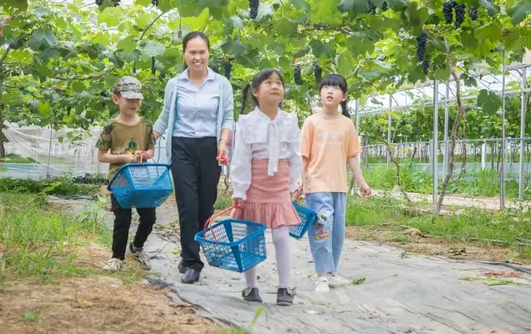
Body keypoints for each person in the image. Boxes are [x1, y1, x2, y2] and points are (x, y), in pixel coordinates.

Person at [153, 31, 234, 284]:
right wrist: (148, 142)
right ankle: (192, 261)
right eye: (192, 52)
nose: (197, 57)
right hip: (182, 147)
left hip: (211, 148)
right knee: (187, 204)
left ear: (209, 53)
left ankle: (191, 249)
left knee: (205, 206)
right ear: (184, 54)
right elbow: (166, 117)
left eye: (202, 52)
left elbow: (228, 117)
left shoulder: (221, 84)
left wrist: (222, 143)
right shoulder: (175, 84)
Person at [230, 69, 302, 306]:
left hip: (280, 183)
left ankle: (284, 287)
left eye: (278, 83)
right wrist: (239, 190)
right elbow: (241, 157)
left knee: (281, 235)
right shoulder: (247, 122)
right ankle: (251, 287)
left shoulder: (289, 120)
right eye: (268, 82)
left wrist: (293, 182)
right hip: (255, 183)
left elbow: (294, 155)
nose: (274, 86)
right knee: (252, 235)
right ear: (255, 92)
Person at [298, 74, 373, 292]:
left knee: (338, 231)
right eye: (326, 87)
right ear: (320, 94)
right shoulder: (311, 122)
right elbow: (303, 155)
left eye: (335, 88)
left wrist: (362, 183)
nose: (330, 91)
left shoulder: (347, 124)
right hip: (316, 185)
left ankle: (332, 273)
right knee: (322, 228)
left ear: (344, 96)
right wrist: (298, 181)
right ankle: (321, 275)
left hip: (339, 187)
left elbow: (352, 156)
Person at [96, 76, 156, 272]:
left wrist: (143, 154)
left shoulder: (146, 126)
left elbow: (151, 151)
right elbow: (102, 156)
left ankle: (137, 247)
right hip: (119, 180)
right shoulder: (111, 127)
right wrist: (124, 158)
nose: (134, 103)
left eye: (137, 99)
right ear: (116, 99)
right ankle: (116, 257)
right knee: (123, 219)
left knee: (149, 216)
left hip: (142, 180)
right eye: (129, 99)